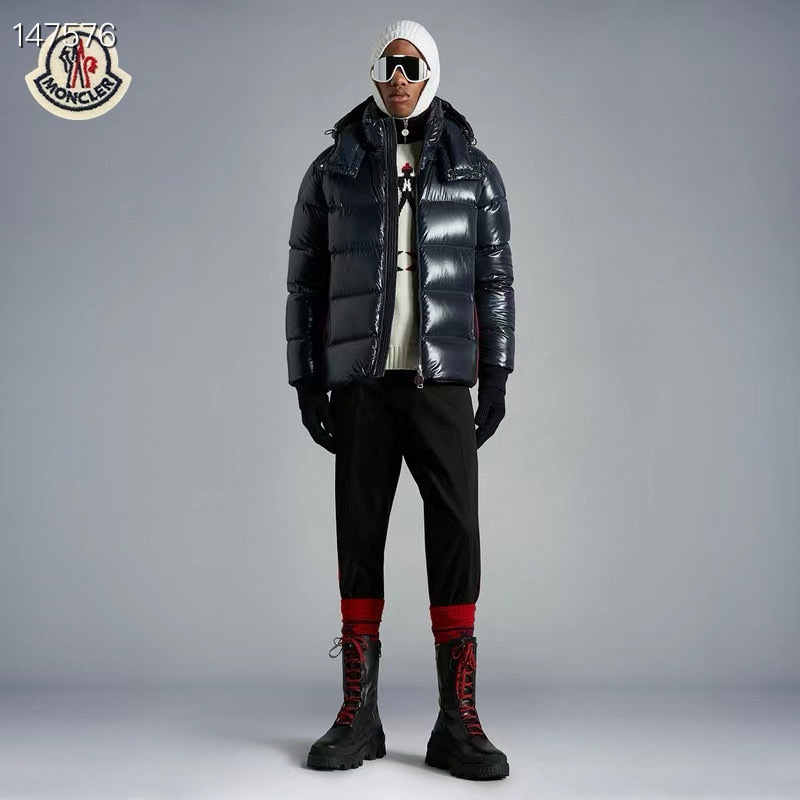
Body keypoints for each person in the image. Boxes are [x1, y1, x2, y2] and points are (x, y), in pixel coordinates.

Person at [285, 19, 515, 781]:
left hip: (441, 381)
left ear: (432, 71)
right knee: (359, 536)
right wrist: (306, 379)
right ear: (373, 72)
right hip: (362, 385)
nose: (399, 78)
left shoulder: (473, 170)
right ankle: (359, 716)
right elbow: (305, 282)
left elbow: (494, 278)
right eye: (388, 65)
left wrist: (497, 374)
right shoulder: (333, 170)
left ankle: (457, 721)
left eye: (412, 66)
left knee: (456, 535)